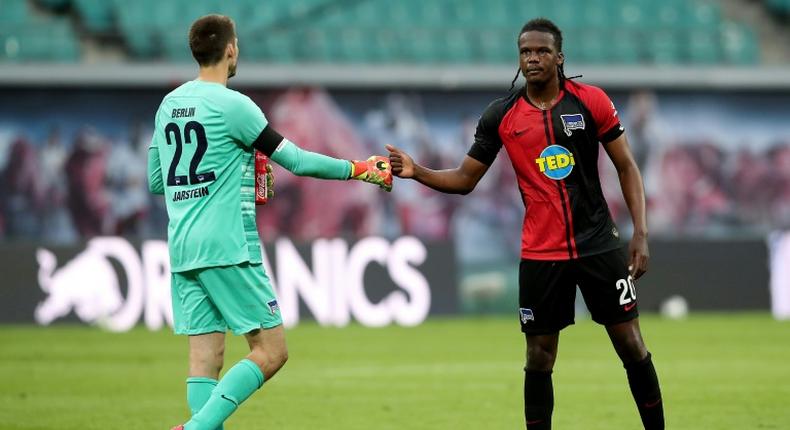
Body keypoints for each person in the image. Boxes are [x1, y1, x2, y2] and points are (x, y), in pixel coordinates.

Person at [387, 18, 664, 430]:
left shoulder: (591, 102)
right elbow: (465, 179)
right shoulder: (501, 115)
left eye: (542, 51)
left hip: (599, 245)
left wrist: (640, 233)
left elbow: (626, 165)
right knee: (538, 357)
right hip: (541, 253)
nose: (533, 58)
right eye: (525, 52)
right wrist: (417, 170)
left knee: (630, 344)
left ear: (559, 57)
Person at [147, 15, 392, 430]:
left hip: (184, 245)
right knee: (271, 351)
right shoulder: (235, 106)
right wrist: (360, 168)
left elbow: (158, 180)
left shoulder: (170, 104)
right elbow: (294, 160)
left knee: (206, 358)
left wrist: (237, 167)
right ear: (230, 50)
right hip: (226, 245)